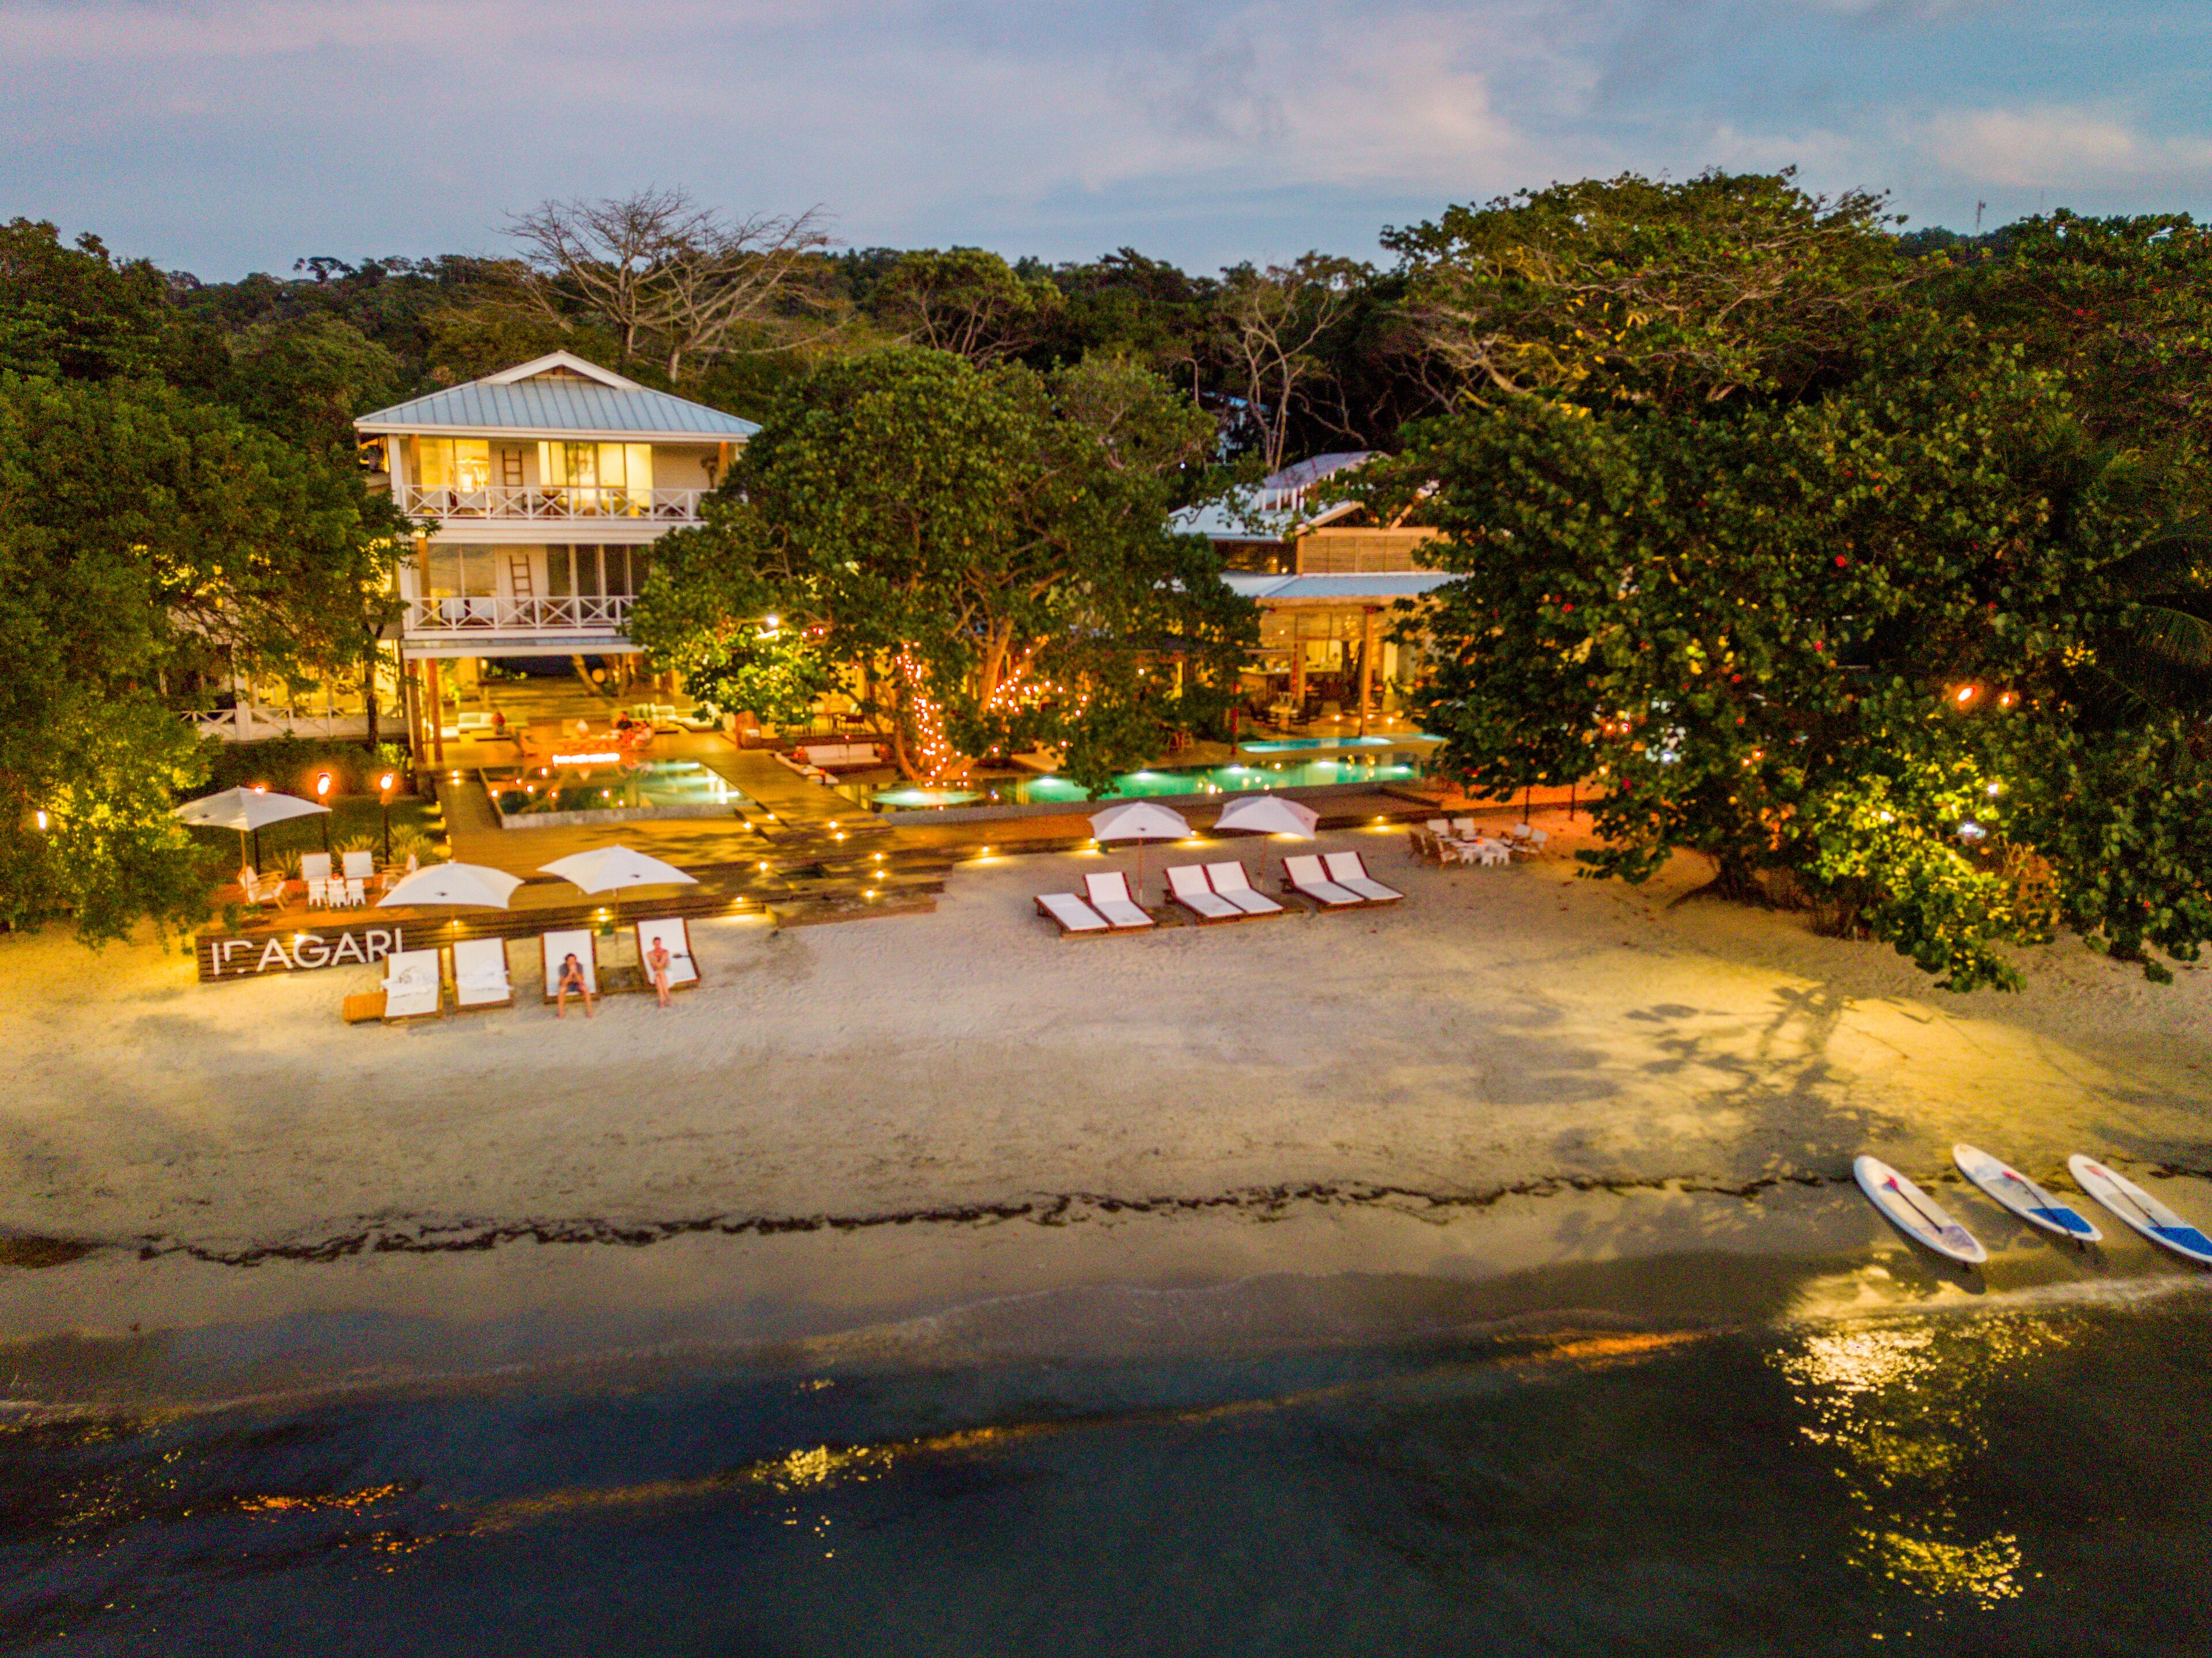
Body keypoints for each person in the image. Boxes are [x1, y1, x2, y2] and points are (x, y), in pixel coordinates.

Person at [555, 951, 594, 1019]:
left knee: (585, 988)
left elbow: (581, 981)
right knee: (562, 990)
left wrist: (575, 973)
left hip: (577, 984)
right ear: (566, 962)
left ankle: (589, 1011)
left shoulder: (579, 966)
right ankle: (561, 1013)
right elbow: (563, 983)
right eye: (570, 961)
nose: (572, 962)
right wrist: (570, 973)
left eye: (574, 961)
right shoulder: (562, 967)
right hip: (567, 985)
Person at [646, 934, 674, 1008]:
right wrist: (660, 966)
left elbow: (662, 964)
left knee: (659, 976)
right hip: (656, 972)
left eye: (659, 943)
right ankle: (668, 997)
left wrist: (660, 966)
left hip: (666, 972)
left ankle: (662, 1000)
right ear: (653, 944)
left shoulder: (665, 952)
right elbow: (655, 966)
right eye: (656, 943)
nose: (657, 945)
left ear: (661, 943)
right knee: (658, 977)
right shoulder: (650, 953)